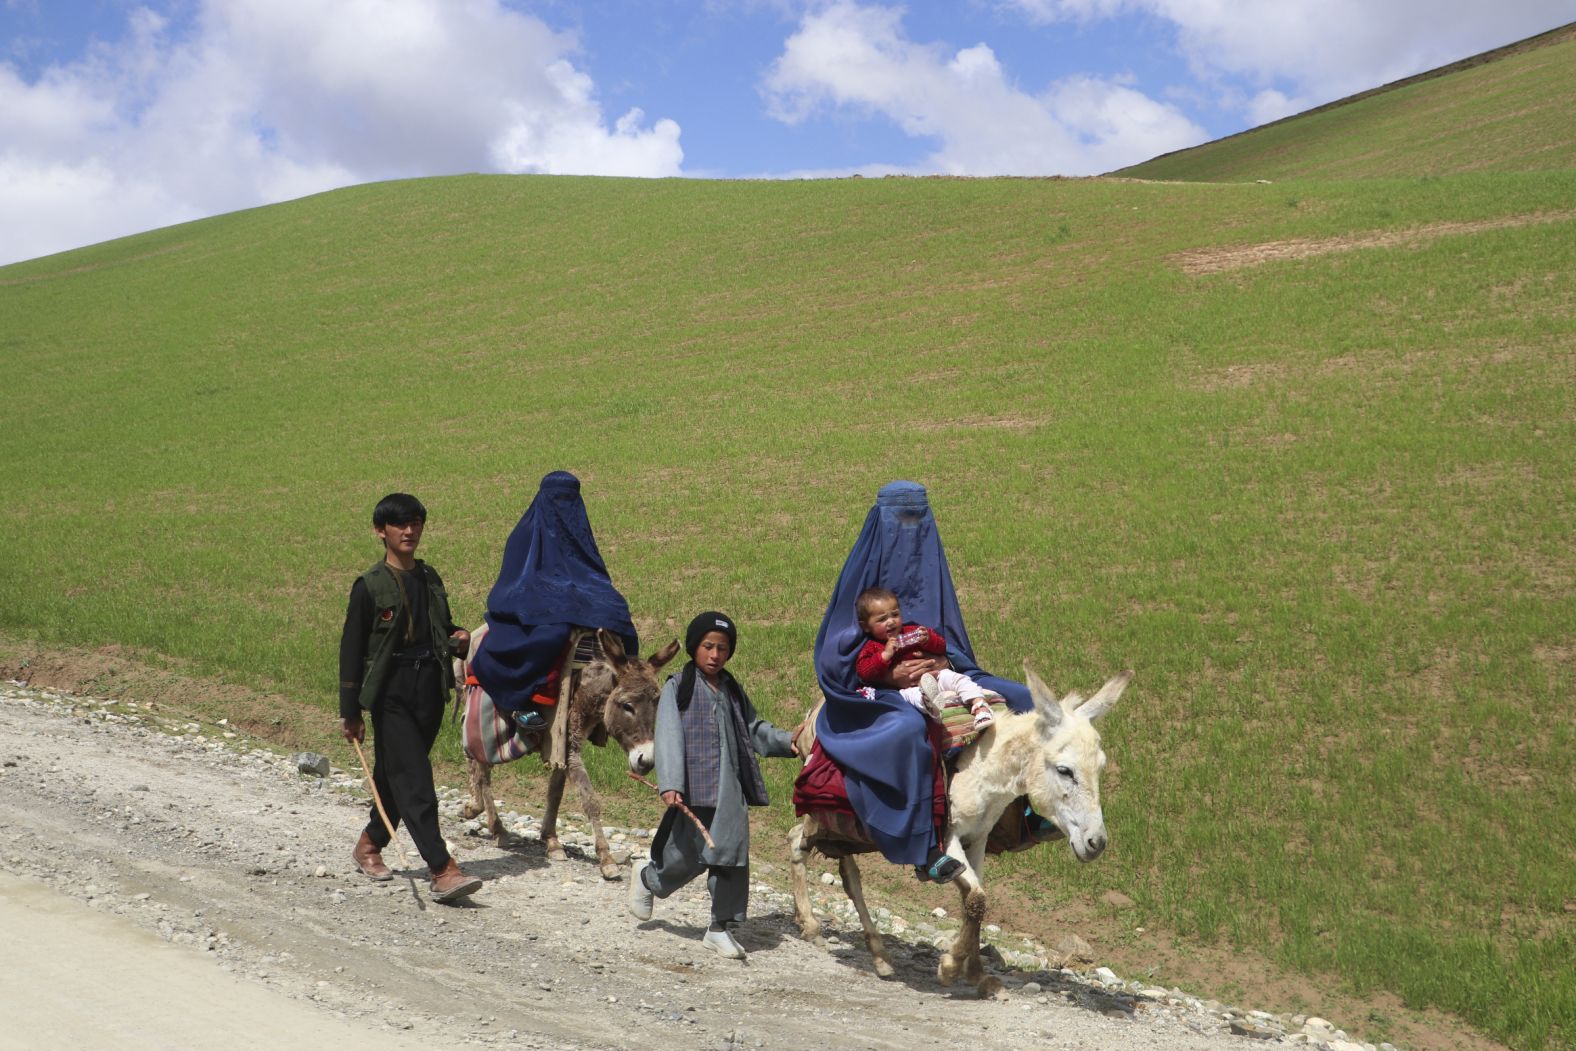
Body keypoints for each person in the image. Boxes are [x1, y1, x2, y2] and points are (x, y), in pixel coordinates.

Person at [813, 481, 1038, 883]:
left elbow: (946, 633)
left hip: (940, 670)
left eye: (917, 519)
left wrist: (942, 658)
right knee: (913, 729)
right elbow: (837, 655)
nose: (909, 529)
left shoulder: (930, 564)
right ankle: (924, 847)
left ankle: (1030, 813)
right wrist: (888, 673)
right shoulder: (863, 576)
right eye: (900, 519)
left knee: (1024, 698)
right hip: (879, 689)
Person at [338, 492, 482, 903]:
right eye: (400, 524)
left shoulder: (429, 577)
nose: (410, 530)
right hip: (392, 691)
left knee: (396, 774)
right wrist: (350, 711)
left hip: (430, 689)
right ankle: (442, 869)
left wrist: (459, 637)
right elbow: (350, 650)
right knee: (416, 780)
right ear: (380, 531)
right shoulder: (369, 586)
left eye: (415, 522)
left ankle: (368, 845)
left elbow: (442, 626)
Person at [628, 612, 797, 959]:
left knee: (731, 856)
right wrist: (671, 783)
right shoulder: (679, 686)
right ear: (695, 648)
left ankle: (721, 927)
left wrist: (788, 741)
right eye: (708, 646)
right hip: (695, 786)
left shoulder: (732, 688)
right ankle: (648, 879)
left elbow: (753, 728)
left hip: (730, 790)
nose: (715, 655)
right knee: (684, 857)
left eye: (722, 648)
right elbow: (669, 734)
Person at [469, 471, 640, 744]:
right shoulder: (524, 533)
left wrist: (582, 593)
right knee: (552, 634)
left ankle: (625, 692)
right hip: (531, 597)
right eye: (557, 497)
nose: (564, 504)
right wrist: (551, 594)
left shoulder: (579, 529)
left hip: (577, 593)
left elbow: (592, 571)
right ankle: (523, 701)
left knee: (619, 615)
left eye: (570, 497)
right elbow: (514, 579)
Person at [855, 586, 995, 731]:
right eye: (882, 619)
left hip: (934, 677)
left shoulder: (912, 631)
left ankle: (980, 706)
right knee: (913, 696)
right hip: (906, 688)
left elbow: (941, 646)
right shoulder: (873, 647)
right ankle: (931, 705)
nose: (891, 622)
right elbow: (864, 672)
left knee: (957, 679)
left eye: (895, 615)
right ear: (865, 626)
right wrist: (884, 656)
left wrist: (928, 640)